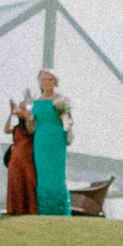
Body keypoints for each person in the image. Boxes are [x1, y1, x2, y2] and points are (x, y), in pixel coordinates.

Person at [26, 71, 73, 216]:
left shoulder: (62, 100)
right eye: (44, 79)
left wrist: (66, 120)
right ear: (40, 82)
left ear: (55, 81)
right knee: (43, 176)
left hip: (57, 140)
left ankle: (60, 210)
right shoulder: (34, 102)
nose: (47, 82)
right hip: (40, 140)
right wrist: (28, 116)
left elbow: (68, 121)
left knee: (57, 176)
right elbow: (30, 128)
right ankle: (44, 210)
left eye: (50, 79)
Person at [4, 104, 38, 215]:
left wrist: (27, 114)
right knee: (15, 184)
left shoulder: (31, 125)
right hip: (15, 159)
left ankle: (30, 211)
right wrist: (11, 113)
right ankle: (15, 210)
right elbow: (6, 129)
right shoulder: (16, 128)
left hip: (28, 158)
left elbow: (29, 127)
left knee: (29, 183)